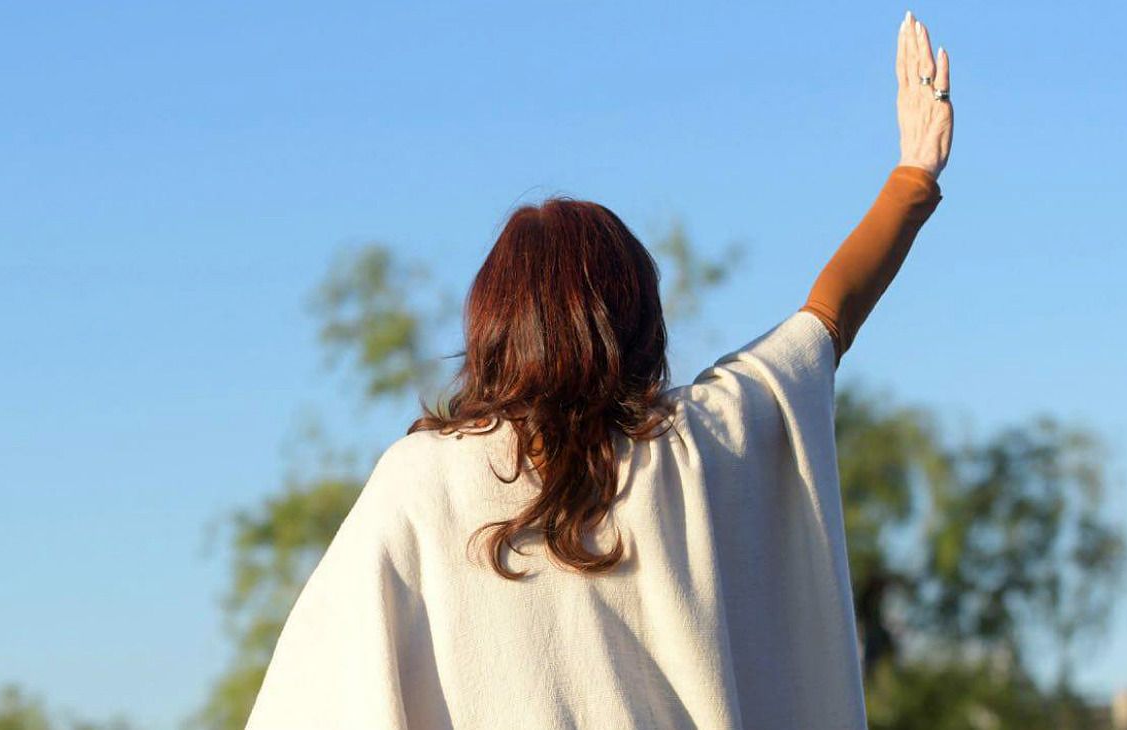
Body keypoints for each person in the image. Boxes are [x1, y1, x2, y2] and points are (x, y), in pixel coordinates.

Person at [244, 9, 952, 729]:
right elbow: (826, 322)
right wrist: (912, 177)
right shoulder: (698, 448)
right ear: (641, 321)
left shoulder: (421, 482)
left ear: (491, 328)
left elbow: (316, 699)